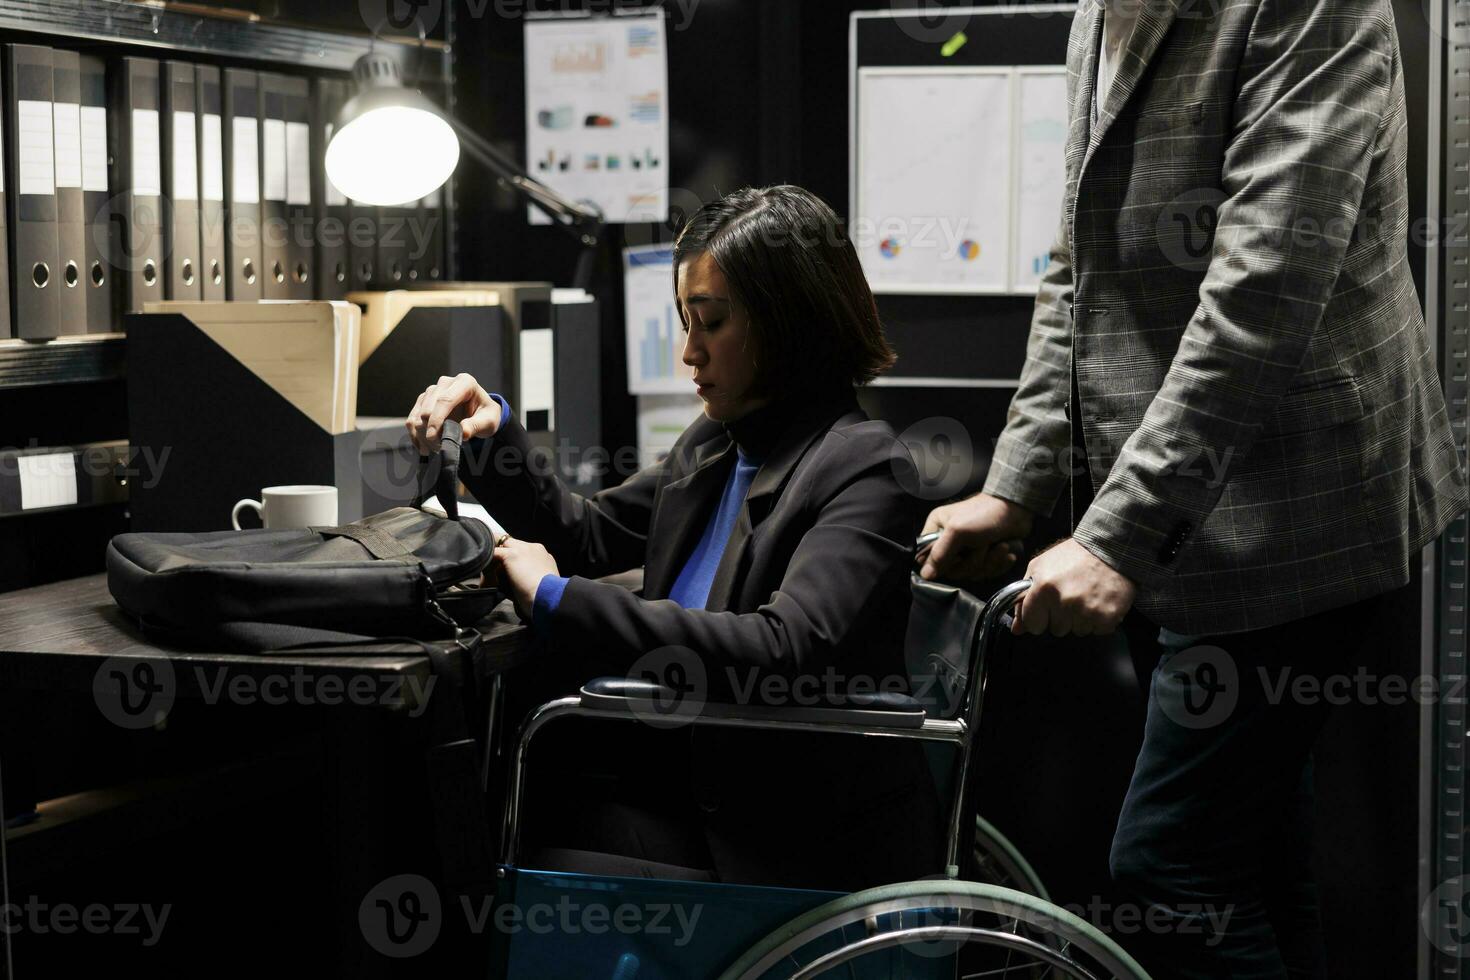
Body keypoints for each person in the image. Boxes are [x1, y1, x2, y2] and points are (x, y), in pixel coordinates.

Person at [920, 0, 1469, 976]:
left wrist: (1116, 537)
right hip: (1174, 504)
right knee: (1247, 858)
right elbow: (1077, 270)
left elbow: (1268, 281)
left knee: (1173, 870)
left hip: (1299, 502)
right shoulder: (1102, 9)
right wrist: (1016, 484)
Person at [406, 185, 938, 891]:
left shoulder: (867, 467)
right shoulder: (716, 441)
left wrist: (556, 596)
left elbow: (782, 649)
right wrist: (493, 427)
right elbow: (589, 534)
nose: (689, 351)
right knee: (457, 814)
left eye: (710, 322)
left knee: (488, 847)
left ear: (790, 322)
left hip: (780, 833)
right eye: (686, 320)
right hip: (685, 787)